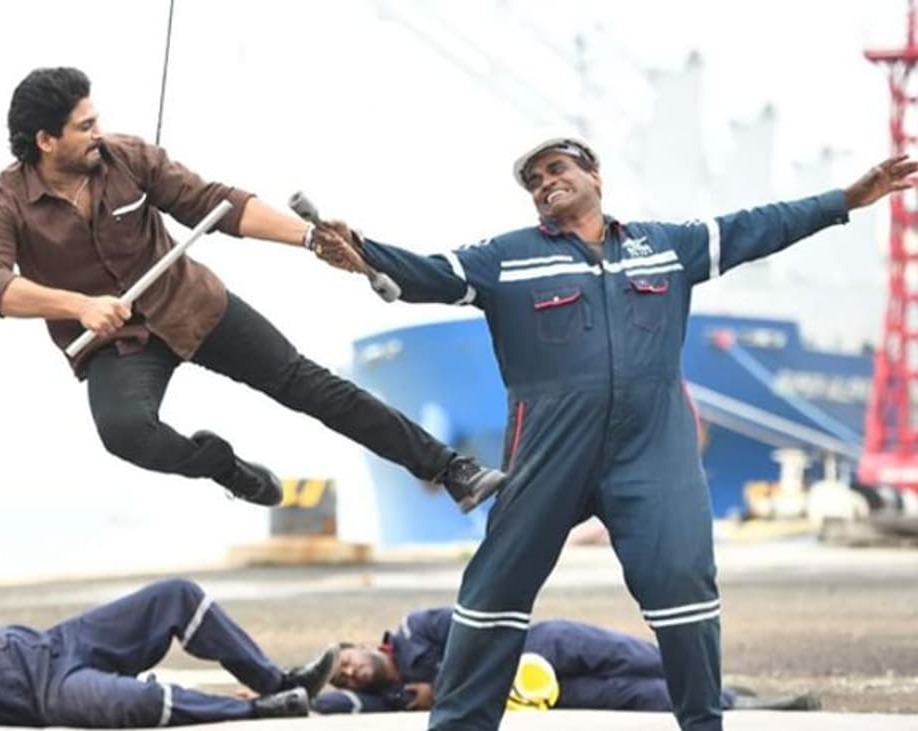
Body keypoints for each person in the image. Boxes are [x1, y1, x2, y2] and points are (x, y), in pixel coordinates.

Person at [311, 140, 916, 731]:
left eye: (557, 169)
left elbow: (757, 227)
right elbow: (431, 273)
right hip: (548, 454)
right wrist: (362, 252)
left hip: (654, 455)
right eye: (534, 182)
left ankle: (703, 722)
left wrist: (846, 199)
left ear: (594, 175)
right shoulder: (509, 258)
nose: (545, 184)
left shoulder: (667, 247)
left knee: (685, 587)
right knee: (494, 590)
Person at [0, 67, 503, 512]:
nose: (98, 133)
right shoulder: (4, 203)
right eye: (85, 127)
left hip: (192, 306)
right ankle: (224, 467)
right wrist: (79, 306)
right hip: (116, 341)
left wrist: (309, 238)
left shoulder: (127, 157)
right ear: (46, 141)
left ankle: (451, 469)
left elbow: (216, 203)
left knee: (311, 386)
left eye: (96, 120)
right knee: (125, 435)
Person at [0, 578, 337, 730]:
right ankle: (264, 709)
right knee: (139, 705)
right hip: (49, 692)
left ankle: (275, 680)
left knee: (176, 595)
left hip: (62, 641)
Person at [313, 606, 819, 714]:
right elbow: (331, 707)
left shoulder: (415, 628)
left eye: (346, 661)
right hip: (538, 697)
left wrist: (439, 687)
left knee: (640, 659)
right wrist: (291, 692)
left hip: (541, 646)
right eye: (344, 678)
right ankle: (737, 705)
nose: (351, 672)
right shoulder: (388, 697)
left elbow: (478, 631)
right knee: (635, 697)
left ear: (358, 644)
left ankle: (713, 681)